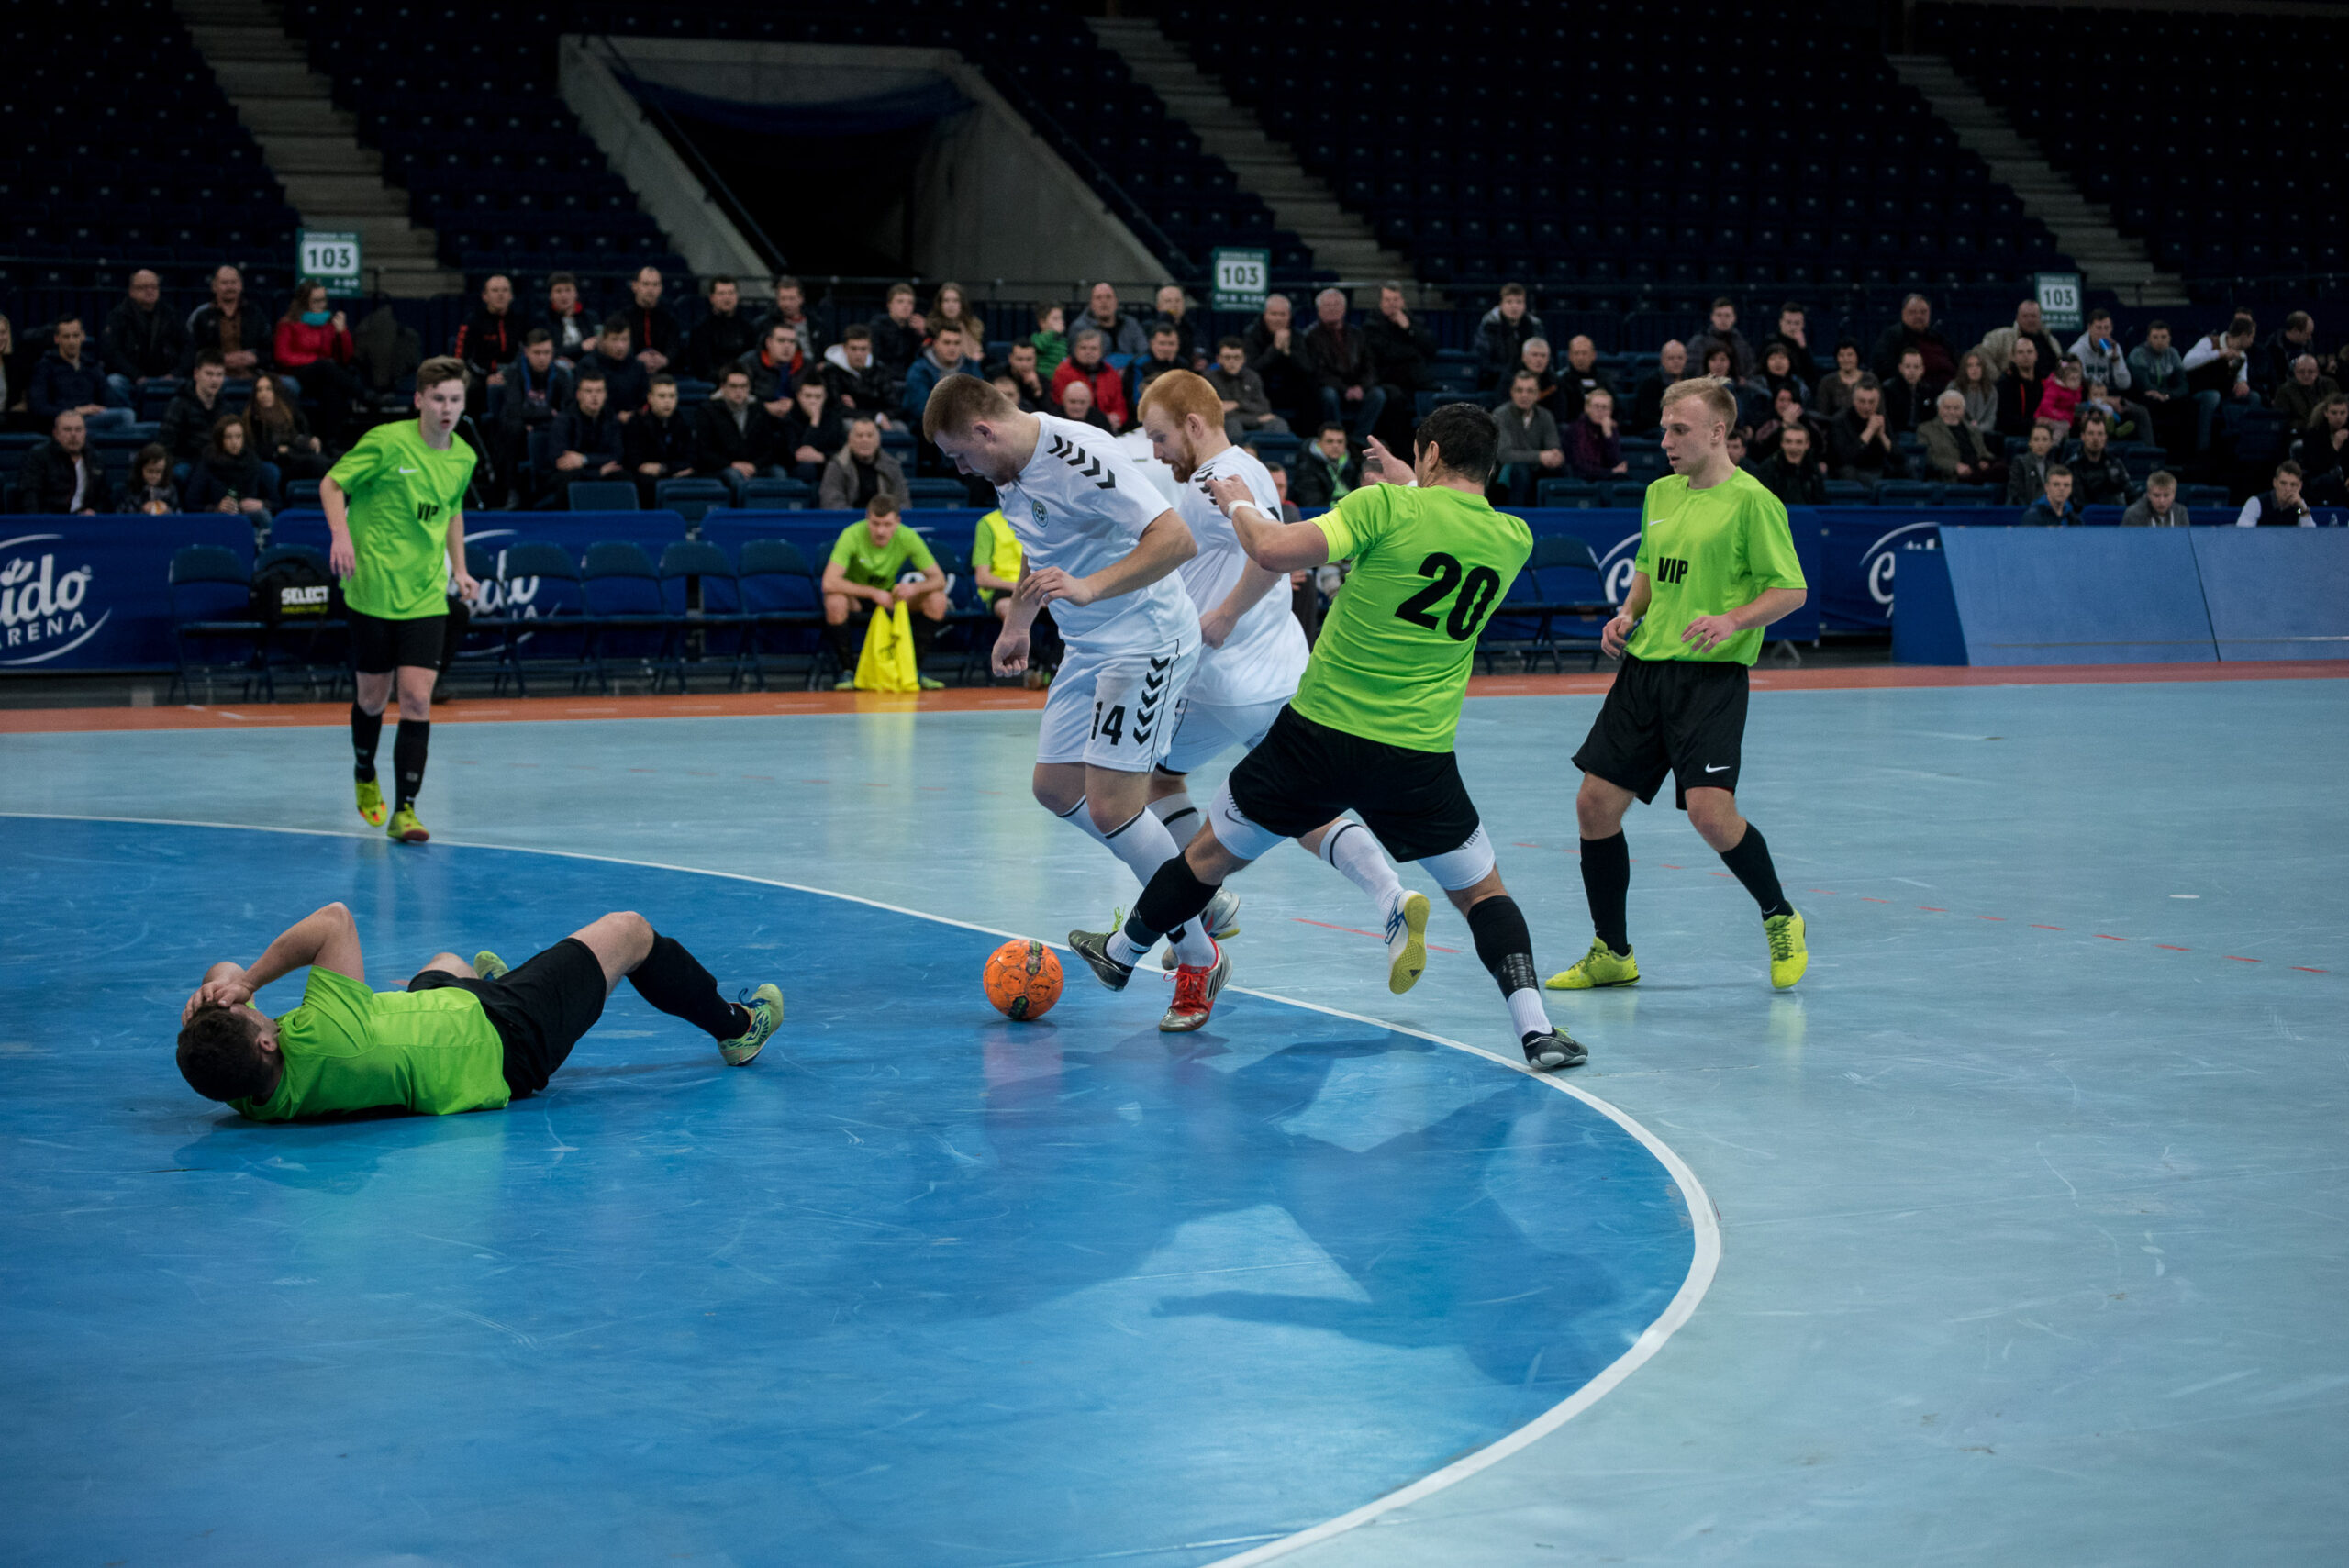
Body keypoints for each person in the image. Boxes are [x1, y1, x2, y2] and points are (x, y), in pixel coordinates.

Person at [1063, 401, 1584, 1066]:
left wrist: (1237, 499)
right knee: (1483, 893)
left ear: (1429, 454)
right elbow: (1443, 519)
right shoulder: (1513, 538)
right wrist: (1410, 480)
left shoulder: (1382, 507)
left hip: (1317, 737)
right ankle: (1536, 1030)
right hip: (1417, 754)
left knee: (1207, 857)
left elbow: (1272, 549)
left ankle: (1122, 953)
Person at [922, 375, 1221, 1027]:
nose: (961, 469)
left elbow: (1176, 539)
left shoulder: (1081, 456)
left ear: (984, 431)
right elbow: (1042, 551)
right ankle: (1184, 887)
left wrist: (1090, 588)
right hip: (1088, 645)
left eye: (960, 455)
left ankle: (1199, 956)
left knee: (1115, 806)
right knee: (1055, 788)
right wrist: (1018, 623)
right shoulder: (1007, 469)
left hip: (1145, 642)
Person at [1133, 367, 1428, 985]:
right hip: (1283, 674)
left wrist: (1224, 613)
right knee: (1306, 807)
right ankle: (1393, 899)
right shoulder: (1249, 468)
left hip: (1218, 682)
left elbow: (1270, 557)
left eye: (1160, 437)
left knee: (1152, 780)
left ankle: (1202, 901)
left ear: (1193, 425)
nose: (1156, 451)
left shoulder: (1213, 482)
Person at [1554, 377, 1810, 998]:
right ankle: (1612, 952)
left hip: (1710, 676)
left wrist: (1733, 620)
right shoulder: (1659, 493)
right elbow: (1649, 569)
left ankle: (1780, 915)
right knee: (1594, 805)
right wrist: (1628, 613)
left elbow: (1791, 590)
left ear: (1718, 432)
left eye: (1680, 430)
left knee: (1709, 814)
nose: (1666, 441)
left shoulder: (1754, 503)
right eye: (1665, 429)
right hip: (1645, 671)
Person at [173, 902, 784, 1120]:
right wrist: (246, 980)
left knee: (446, 960)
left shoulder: (246, 1091)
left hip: (441, 1018)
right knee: (629, 931)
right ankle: (737, 1027)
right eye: (254, 1015)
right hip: (505, 1038)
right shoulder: (329, 1032)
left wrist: (218, 990)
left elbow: (223, 988)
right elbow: (334, 920)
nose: (256, 1007)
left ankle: (502, 980)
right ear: (266, 1043)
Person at [323, 358, 478, 843]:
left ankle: (406, 810)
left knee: (415, 698)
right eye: (438, 399)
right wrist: (341, 537)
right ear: (419, 400)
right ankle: (364, 770)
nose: (447, 408)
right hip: (372, 587)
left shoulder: (464, 457)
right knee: (372, 698)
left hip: (426, 594)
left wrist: (460, 569)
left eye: (455, 399)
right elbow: (332, 484)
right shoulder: (386, 442)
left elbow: (452, 512)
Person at [819, 497, 947, 691]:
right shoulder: (851, 534)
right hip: (857, 598)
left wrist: (913, 588)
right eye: (875, 524)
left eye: (887, 524)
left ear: (897, 522)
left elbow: (939, 580)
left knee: (937, 599)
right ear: (867, 519)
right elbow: (829, 582)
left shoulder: (908, 536)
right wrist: (872, 592)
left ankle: (913, 670)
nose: (880, 531)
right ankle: (848, 671)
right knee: (834, 601)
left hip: (890, 598)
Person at [273, 280, 360, 447]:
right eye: (316, 301)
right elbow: (282, 356)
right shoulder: (288, 323)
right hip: (296, 373)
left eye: (323, 300)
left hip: (323, 376)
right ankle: (363, 394)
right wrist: (314, 361)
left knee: (332, 389)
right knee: (325, 366)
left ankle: (330, 443)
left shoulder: (329, 324)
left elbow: (344, 358)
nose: (321, 305)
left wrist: (342, 332)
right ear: (304, 302)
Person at [1298, 288, 1386, 443]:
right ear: (1319, 310)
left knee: (1378, 395)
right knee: (1329, 395)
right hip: (1329, 387)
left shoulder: (1357, 335)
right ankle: (1337, 437)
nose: (1332, 308)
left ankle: (1359, 439)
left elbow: (1369, 367)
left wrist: (1361, 387)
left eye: (1336, 304)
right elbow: (1317, 372)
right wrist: (1345, 389)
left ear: (1344, 309)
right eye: (1328, 305)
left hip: (1356, 386)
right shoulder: (1310, 336)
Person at [102, 269, 187, 406]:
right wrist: (136, 376)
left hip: (168, 376)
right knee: (114, 382)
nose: (150, 291)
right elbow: (112, 353)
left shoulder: (171, 315)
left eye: (154, 287)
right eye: (143, 287)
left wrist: (175, 373)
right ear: (131, 291)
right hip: (131, 378)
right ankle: (131, 416)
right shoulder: (118, 316)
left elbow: (188, 347)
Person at [28, 315, 129, 430]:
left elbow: (111, 402)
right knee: (125, 416)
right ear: (57, 339)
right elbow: (38, 407)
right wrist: (76, 410)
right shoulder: (45, 367)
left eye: (75, 336)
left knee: (143, 425)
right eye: (66, 337)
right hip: (64, 422)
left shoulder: (91, 366)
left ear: (83, 336)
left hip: (94, 419)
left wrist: (97, 409)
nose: (71, 341)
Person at [695, 366, 780, 497]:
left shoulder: (758, 409)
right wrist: (732, 464)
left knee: (778, 473)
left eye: (743, 386)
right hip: (722, 468)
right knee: (734, 476)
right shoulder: (707, 411)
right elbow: (704, 451)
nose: (739, 391)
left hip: (753, 466)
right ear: (723, 387)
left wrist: (754, 465)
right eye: (733, 386)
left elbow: (770, 449)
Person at [451, 274, 523, 417]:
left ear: (511, 296)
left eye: (505, 290)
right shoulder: (472, 321)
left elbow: (528, 352)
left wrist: (509, 375)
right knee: (469, 387)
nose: (500, 294)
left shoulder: (521, 321)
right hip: (480, 376)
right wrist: (485, 378)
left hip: (514, 375)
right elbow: (461, 358)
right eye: (495, 290)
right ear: (485, 296)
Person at [547, 373, 626, 502]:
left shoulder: (611, 419)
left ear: (605, 395)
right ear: (579, 395)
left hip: (599, 468)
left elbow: (617, 455)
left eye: (599, 391)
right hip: (574, 474)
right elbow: (560, 460)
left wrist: (584, 459)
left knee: (623, 476)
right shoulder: (564, 419)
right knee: (568, 478)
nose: (594, 396)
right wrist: (596, 473)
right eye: (588, 391)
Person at [14, 411, 111, 514]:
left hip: (84, 520)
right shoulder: (38, 456)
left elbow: (103, 497)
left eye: (78, 429)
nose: (73, 434)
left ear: (85, 432)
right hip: (50, 519)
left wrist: (94, 511)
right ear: (55, 433)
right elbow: (30, 496)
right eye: (67, 430)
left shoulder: (95, 458)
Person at [183, 414, 274, 522]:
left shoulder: (253, 462)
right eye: (228, 437)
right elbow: (191, 503)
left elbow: (277, 502)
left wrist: (262, 504)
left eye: (238, 436)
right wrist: (216, 508)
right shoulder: (208, 462)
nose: (234, 442)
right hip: (215, 521)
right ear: (220, 439)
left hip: (249, 521)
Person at [1491, 371, 1565, 505]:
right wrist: (1540, 456)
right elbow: (1504, 455)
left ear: (1537, 394)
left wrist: (1556, 456)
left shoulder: (1546, 416)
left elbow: (1553, 447)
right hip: (1507, 473)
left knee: (1562, 470)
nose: (1524, 395)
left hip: (1537, 469)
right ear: (1512, 393)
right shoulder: (1500, 415)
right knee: (1520, 470)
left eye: (1530, 391)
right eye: (1519, 390)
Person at [622, 374, 697, 505]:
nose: (667, 401)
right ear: (650, 398)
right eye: (662, 396)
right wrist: (672, 468)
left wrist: (664, 468)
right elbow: (636, 461)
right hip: (647, 479)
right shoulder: (637, 422)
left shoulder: (683, 421)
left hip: (673, 472)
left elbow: (691, 458)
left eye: (672, 396)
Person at [243, 373, 330, 482]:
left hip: (295, 454)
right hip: (278, 463)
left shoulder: (287, 411)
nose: (263, 394)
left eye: (268, 389)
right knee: (315, 463)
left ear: (276, 391)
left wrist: (310, 440)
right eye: (259, 390)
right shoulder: (253, 418)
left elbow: (298, 435)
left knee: (323, 460)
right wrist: (277, 450)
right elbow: (256, 449)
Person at [1244, 294, 1314, 428]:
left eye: (1283, 315)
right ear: (1265, 315)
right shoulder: (1252, 334)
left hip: (1291, 386)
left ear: (1289, 316)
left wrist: (1288, 353)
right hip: (1263, 386)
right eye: (1274, 314)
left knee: (1311, 388)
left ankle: (1308, 435)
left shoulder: (1297, 335)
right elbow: (1252, 369)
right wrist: (1275, 349)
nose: (1278, 319)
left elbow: (1308, 368)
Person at [182, 264, 264, 379]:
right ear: (214, 286)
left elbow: (268, 348)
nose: (230, 287)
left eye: (233, 282)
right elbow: (190, 352)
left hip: (252, 375)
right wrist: (220, 359)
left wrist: (255, 357)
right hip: (213, 376)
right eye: (225, 283)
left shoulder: (255, 314)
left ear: (241, 285)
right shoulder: (201, 316)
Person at [2127, 320, 2194, 454]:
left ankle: (2183, 454)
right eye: (2155, 337)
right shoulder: (2138, 354)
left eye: (2163, 337)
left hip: (2167, 397)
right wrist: (2162, 395)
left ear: (2169, 339)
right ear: (2148, 339)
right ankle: (2151, 453)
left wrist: (2167, 395)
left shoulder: (2173, 353)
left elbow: (2183, 386)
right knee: (2149, 401)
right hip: (2144, 396)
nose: (2159, 341)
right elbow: (2144, 385)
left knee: (2188, 405)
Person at [818, 415, 907, 510]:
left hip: (883, 518)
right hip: (849, 518)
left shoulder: (892, 466)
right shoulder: (837, 466)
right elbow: (831, 503)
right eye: (859, 435)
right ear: (850, 440)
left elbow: (903, 502)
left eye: (870, 435)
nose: (865, 440)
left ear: (878, 440)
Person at [1207, 335, 1286, 444]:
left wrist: (1238, 404)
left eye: (1237, 357)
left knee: (1278, 424)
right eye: (1227, 357)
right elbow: (1215, 413)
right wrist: (1255, 419)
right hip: (1229, 424)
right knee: (1232, 425)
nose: (1232, 362)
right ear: (1218, 359)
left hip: (1251, 421)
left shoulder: (1252, 377)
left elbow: (1264, 407)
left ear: (1244, 359)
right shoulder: (1209, 379)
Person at [901, 323, 980, 428]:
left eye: (957, 343)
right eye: (947, 343)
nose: (952, 348)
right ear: (936, 344)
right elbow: (921, 408)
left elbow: (980, 400)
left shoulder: (971, 368)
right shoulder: (920, 369)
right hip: (927, 429)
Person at [683, 276, 758, 384]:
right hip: (713, 383)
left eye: (731, 293)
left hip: (743, 383)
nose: (727, 298)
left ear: (737, 296)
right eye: (721, 293)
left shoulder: (748, 329)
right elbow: (703, 368)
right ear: (712, 298)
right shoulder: (700, 331)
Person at [1870, 294, 1955, 388]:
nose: (1919, 316)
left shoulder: (1938, 338)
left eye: (1923, 312)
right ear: (1903, 314)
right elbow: (1882, 368)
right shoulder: (1892, 337)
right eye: (1913, 312)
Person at [1050, 329, 1129, 432]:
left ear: (1101, 351)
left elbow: (1119, 405)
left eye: (1093, 348)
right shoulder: (1063, 372)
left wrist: (1117, 417)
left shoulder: (1110, 373)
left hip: (1105, 427)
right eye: (1083, 348)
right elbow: (1060, 406)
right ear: (1075, 350)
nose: (1088, 352)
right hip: (1071, 428)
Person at [1827, 378, 1903, 484]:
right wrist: (1870, 431)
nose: (1867, 407)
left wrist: (1882, 436)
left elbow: (1898, 456)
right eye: (1862, 401)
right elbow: (1845, 458)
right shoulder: (1840, 420)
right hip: (1853, 470)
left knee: (1904, 468)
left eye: (1871, 402)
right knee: (1848, 472)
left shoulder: (1882, 418)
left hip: (1877, 468)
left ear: (1878, 402)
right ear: (1854, 401)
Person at [161, 351, 230, 465]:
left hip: (216, 464)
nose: (214, 380)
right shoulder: (178, 405)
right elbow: (166, 446)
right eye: (209, 374)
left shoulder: (226, 407)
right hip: (187, 463)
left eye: (219, 375)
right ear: (196, 374)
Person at [1473, 283, 1546, 390]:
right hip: (1495, 382)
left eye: (1519, 302)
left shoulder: (1535, 326)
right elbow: (1484, 361)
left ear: (1525, 305)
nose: (1514, 306)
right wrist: (1510, 375)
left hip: (1530, 382)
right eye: (1509, 302)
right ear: (1501, 304)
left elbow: (1544, 357)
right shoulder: (1489, 326)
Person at [1920, 390, 2001, 486]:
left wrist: (1985, 461)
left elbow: (1983, 452)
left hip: (1978, 471)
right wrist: (1955, 466)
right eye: (1947, 408)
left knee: (2002, 468)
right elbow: (1929, 457)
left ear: (1963, 411)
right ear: (1939, 409)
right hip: (1953, 476)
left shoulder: (1973, 430)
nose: (1952, 412)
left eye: (1956, 408)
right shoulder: (1926, 429)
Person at [819, 326, 895, 425]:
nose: (858, 354)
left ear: (870, 349)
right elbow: (835, 408)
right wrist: (875, 416)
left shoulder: (880, 370)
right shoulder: (832, 372)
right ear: (845, 349)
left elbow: (895, 406)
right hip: (849, 419)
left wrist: (874, 415)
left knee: (900, 429)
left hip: (880, 418)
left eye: (863, 349)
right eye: (854, 349)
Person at [777, 377, 845, 485]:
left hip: (827, 465)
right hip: (798, 469)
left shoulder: (833, 418)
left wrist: (822, 457)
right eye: (808, 396)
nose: (813, 401)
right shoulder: (789, 419)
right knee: (807, 468)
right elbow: (799, 454)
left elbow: (842, 449)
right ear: (799, 396)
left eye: (818, 397)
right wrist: (814, 422)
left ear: (825, 397)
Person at [1975, 299, 2061, 383]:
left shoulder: (2051, 341)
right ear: (2017, 318)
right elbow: (1980, 353)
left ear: (2040, 318)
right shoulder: (2001, 337)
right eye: (2025, 316)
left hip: (2046, 389)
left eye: (2033, 316)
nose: (2030, 320)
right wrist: (1998, 379)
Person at [623, 266, 684, 374]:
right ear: (634, 286)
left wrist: (665, 360)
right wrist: (635, 360)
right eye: (646, 284)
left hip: (664, 373)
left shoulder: (670, 318)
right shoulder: (622, 317)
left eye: (655, 285)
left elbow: (675, 347)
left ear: (661, 288)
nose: (650, 289)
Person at [758, 274, 829, 365]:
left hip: (813, 370)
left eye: (792, 299)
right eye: (783, 299)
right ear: (777, 300)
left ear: (801, 299)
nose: (787, 303)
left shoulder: (817, 324)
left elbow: (827, 352)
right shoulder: (764, 325)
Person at [2063, 413, 2132, 506]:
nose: (2095, 438)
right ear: (2083, 437)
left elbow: (2130, 493)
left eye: (2100, 434)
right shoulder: (2072, 466)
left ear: (2105, 437)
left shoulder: (2115, 463)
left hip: (2115, 513)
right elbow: (2078, 503)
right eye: (2091, 433)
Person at [1751, 420, 1825, 506]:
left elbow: (1821, 503)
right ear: (1782, 444)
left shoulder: (1813, 470)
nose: (1793, 447)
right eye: (1788, 442)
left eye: (1799, 442)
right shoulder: (1767, 468)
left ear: (1807, 445)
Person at [970, 505, 1023, 623]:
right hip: (1005, 590)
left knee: (1063, 605)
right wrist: (1017, 587)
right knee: (1010, 609)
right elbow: (982, 579)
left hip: (1038, 587)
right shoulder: (988, 523)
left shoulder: (1043, 522)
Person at [588, 316, 650, 417]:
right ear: (604, 340)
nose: (620, 346)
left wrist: (633, 415)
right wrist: (615, 417)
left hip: (633, 421)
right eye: (614, 340)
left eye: (624, 340)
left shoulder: (638, 367)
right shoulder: (589, 366)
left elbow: (644, 400)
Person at [1564, 386, 1628, 481]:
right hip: (1582, 482)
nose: (1600, 411)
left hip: (1607, 480)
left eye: (1605, 407)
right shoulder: (1576, 429)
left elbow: (1615, 463)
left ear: (1611, 411)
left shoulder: (1611, 430)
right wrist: (1610, 472)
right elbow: (1581, 467)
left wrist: (1608, 435)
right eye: (1596, 406)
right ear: (1587, 408)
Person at [1291, 422, 1360, 508]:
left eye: (1340, 442)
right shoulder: (1306, 467)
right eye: (1330, 441)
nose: (1335, 445)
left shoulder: (1352, 464)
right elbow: (1313, 504)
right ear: (1319, 443)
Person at [1689, 297, 1756, 382]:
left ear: (1734, 318)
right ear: (1712, 317)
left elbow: (1750, 369)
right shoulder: (1699, 342)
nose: (1723, 319)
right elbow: (1693, 369)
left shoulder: (1742, 344)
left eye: (1727, 315)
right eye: (1719, 315)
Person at [1994, 337, 2046, 439]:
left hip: (2042, 434)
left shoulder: (2044, 380)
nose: (2025, 355)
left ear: (2036, 355)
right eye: (2020, 352)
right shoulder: (2005, 383)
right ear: (2013, 357)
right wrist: (2034, 423)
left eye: (2029, 352)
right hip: (2014, 437)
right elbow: (2006, 419)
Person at [1076, 281, 1147, 358]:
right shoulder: (1079, 328)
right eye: (1098, 298)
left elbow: (1144, 352)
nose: (1104, 301)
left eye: (1108, 297)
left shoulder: (1131, 324)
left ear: (1116, 302)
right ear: (1091, 304)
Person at [1631, 340, 1687, 434]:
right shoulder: (1650, 383)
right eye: (1671, 358)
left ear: (1686, 359)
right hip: (1655, 429)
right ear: (1663, 360)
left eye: (1680, 358)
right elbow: (1647, 417)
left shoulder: (1691, 383)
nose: (1676, 361)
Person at [2235, 461, 2315, 527]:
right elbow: (2243, 534)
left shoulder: (2298, 509)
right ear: (2275, 483)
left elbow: (2310, 537)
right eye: (2283, 483)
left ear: (2300, 486)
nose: (2288, 489)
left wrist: (2303, 510)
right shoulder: (2257, 503)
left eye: (2293, 485)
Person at [538, 272, 594, 363]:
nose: (563, 295)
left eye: (568, 290)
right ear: (551, 296)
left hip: (586, 364)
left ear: (576, 294)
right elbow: (545, 352)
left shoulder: (590, 317)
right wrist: (581, 347)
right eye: (558, 291)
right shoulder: (542, 319)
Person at [2273, 354, 2340, 428]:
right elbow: (2282, 420)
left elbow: (2339, 407)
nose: (2306, 375)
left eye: (2311, 371)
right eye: (2301, 371)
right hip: (2300, 432)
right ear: (2295, 372)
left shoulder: (2329, 384)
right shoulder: (2284, 391)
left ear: (2317, 372)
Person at [1129, 322, 1186, 406]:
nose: (1166, 348)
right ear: (1151, 343)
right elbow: (1136, 400)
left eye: (1171, 344)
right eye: (1162, 343)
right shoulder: (1139, 364)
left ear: (1178, 345)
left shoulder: (1183, 365)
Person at [116, 442, 182, 514]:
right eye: (150, 471)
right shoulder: (131, 489)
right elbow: (121, 515)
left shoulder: (170, 490)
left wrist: (167, 510)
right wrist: (142, 510)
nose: (154, 476)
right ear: (141, 469)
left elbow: (179, 514)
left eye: (158, 471)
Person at [1764, 302, 1819, 385]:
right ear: (1781, 322)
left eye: (1797, 323)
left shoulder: (1803, 344)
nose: (1792, 327)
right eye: (1788, 322)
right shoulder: (1769, 342)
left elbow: (1812, 377)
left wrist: (1803, 348)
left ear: (1803, 324)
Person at [1880, 349, 1935, 432]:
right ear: (1900, 368)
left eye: (1916, 367)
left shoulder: (1927, 391)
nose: (1912, 371)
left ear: (1922, 370)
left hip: (1922, 434)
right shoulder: (1889, 390)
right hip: (1897, 434)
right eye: (1908, 366)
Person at [2005, 424, 2060, 506]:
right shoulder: (2020, 463)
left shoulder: (2053, 467)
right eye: (2036, 439)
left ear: (2051, 443)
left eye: (2045, 440)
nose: (2040, 444)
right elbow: (2017, 495)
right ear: (2030, 443)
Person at [1811, 339, 1866, 419]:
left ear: (1857, 357)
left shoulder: (1869, 379)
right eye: (1841, 355)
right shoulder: (1827, 381)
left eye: (1850, 355)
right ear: (1836, 358)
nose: (1846, 359)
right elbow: (1822, 413)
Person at [2018, 464, 2083, 526]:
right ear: (2047, 487)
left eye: (2066, 485)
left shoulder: (2074, 517)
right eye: (2056, 485)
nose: (2062, 489)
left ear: (2071, 489)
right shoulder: (2032, 516)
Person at [1952, 350, 1998, 435]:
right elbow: (1951, 416)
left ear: (1983, 368)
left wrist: (1977, 429)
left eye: (1978, 365)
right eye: (1970, 366)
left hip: (1983, 433)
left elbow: (1991, 419)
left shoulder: (1991, 391)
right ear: (1964, 369)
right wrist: (1969, 428)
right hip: (1959, 432)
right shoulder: (1954, 388)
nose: (1974, 369)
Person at [1152, 284, 1199, 365]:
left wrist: (1203, 359)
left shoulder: (1191, 327)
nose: (1174, 305)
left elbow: (1203, 348)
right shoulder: (1151, 327)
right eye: (1168, 301)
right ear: (1158, 307)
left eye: (1178, 301)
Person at [2121, 470, 2189, 527]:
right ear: (2148, 494)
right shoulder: (2133, 514)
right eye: (2156, 495)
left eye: (2166, 495)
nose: (2161, 501)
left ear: (2174, 494)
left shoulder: (2181, 512)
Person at [1029, 302, 1070, 380]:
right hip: (1044, 379)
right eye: (1055, 319)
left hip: (1060, 378)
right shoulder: (1036, 337)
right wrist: (1052, 333)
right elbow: (1039, 346)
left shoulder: (1063, 341)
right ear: (1042, 323)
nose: (1060, 321)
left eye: (1061, 318)